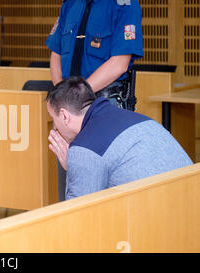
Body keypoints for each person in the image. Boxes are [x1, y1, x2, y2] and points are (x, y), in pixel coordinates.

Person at [45, 0, 144, 201]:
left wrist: (75, 94)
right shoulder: (70, 4)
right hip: (68, 107)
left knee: (103, 188)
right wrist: (63, 96)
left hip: (104, 105)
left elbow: (119, 63)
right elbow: (55, 55)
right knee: (69, 181)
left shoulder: (124, 4)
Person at [46, 77, 193, 200]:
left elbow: (78, 214)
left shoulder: (85, 148)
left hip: (163, 220)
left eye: (54, 118)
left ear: (65, 116)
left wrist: (71, 166)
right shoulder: (136, 118)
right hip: (189, 199)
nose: (54, 128)